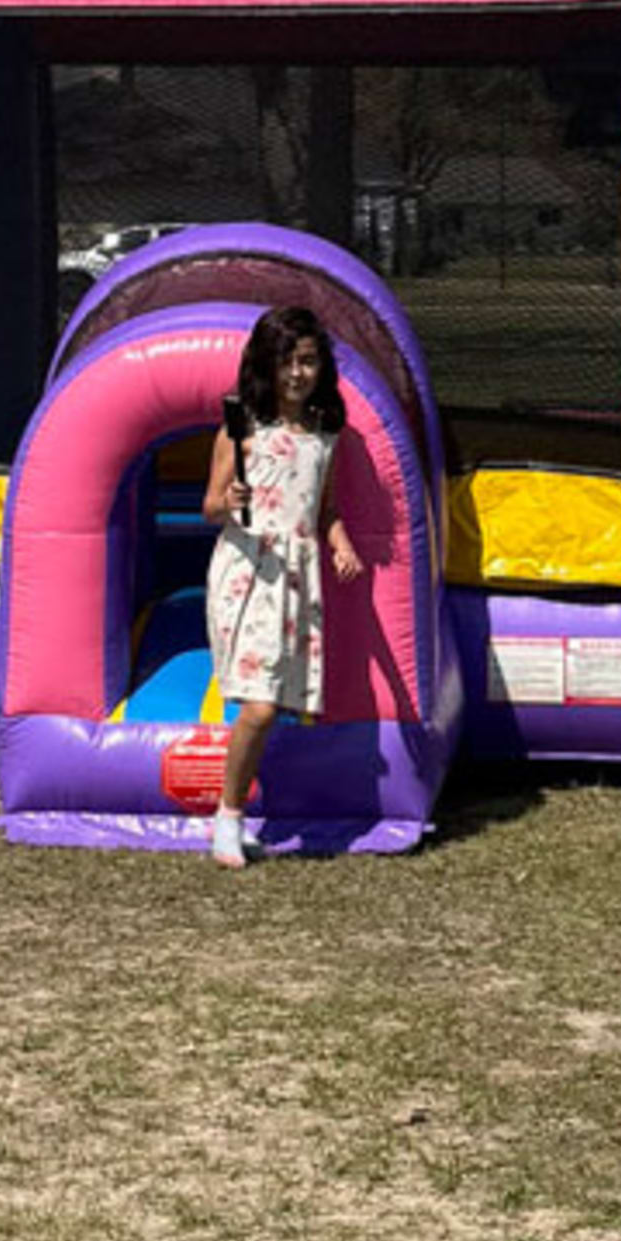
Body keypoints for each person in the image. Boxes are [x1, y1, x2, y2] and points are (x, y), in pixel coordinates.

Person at [198, 305, 365, 868]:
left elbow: (326, 508)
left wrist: (340, 543)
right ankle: (226, 818)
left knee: (273, 704)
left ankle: (233, 817)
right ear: (266, 365)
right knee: (261, 706)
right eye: (288, 362)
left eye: (308, 362)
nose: (298, 374)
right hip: (247, 572)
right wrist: (230, 502)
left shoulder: (324, 434)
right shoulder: (241, 428)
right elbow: (210, 506)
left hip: (296, 576)